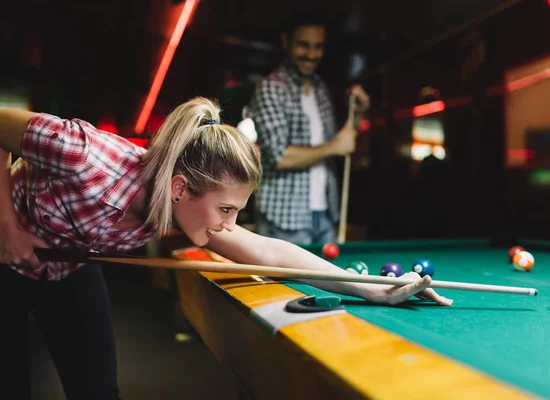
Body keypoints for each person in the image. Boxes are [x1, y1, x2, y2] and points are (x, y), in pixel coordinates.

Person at [0, 97, 452, 400]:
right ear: (180, 188)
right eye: (228, 210)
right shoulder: (82, 153)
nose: (230, 226)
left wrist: (372, 288)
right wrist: (8, 228)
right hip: (5, 255)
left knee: (98, 391)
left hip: (69, 269)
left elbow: (271, 252)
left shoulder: (188, 206)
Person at [249, 12, 370, 244]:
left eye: (318, 47)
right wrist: (334, 146)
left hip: (324, 214)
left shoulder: (320, 88)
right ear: (286, 42)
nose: (312, 54)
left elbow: (340, 142)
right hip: (284, 219)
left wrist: (358, 112)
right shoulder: (271, 89)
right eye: (304, 45)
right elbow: (279, 156)